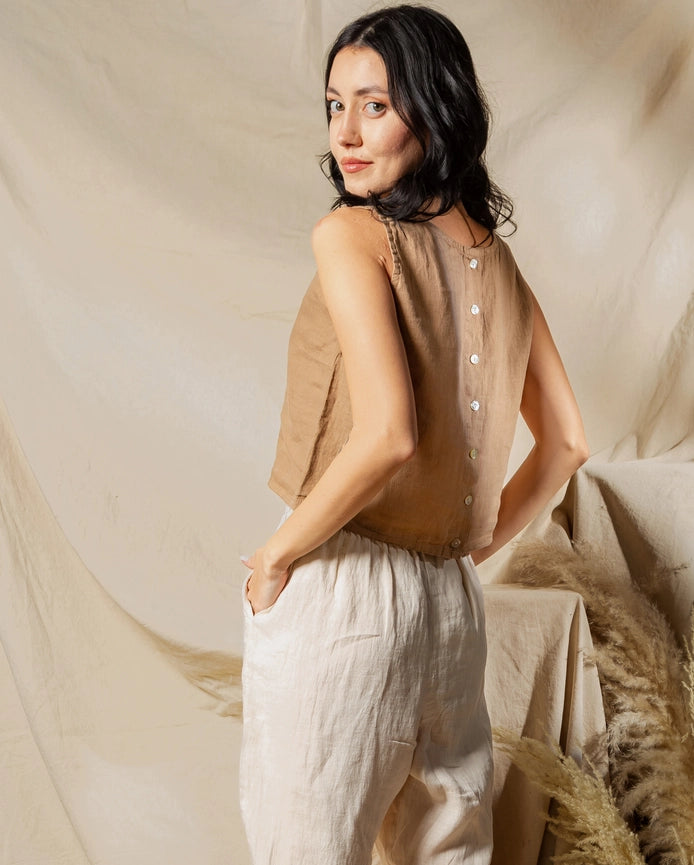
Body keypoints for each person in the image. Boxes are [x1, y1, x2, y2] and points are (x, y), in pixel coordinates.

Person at [239, 5, 588, 864]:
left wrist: (276, 557)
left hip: (344, 590)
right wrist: (462, 550)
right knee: (450, 852)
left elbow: (389, 433)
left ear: (435, 111)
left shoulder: (351, 236)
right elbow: (567, 442)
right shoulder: (497, 259)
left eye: (375, 106)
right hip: (450, 606)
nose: (346, 135)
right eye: (335, 105)